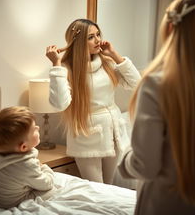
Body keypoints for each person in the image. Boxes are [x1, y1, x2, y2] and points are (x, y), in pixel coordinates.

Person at [118, 0, 195, 215]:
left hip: (165, 203)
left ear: (171, 29)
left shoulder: (157, 84)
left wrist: (124, 158)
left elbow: (146, 165)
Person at [45, 18, 141, 184]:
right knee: (96, 187)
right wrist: (56, 64)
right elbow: (60, 103)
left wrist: (115, 55)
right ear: (79, 42)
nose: (98, 40)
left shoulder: (107, 63)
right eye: (91, 37)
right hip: (87, 134)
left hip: (113, 132)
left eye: (98, 34)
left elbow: (137, 84)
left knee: (110, 187)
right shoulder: (67, 69)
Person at [0, 106, 57, 209]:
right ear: (23, 147)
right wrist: (45, 168)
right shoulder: (26, 165)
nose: (38, 128)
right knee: (51, 190)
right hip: (12, 203)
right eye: (34, 129)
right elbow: (46, 184)